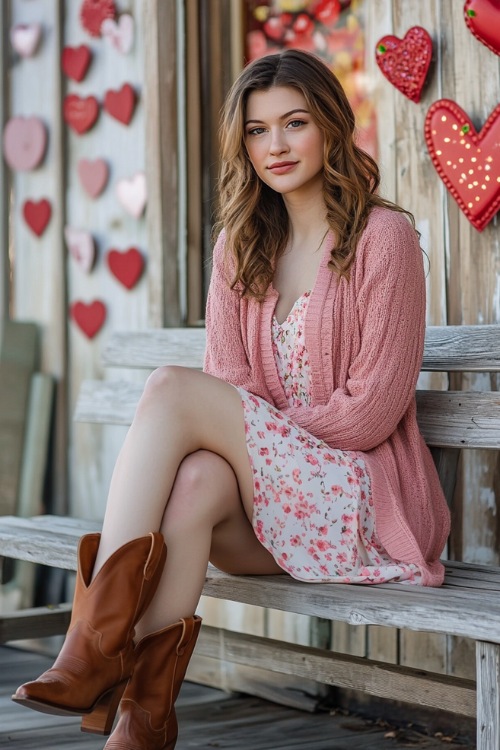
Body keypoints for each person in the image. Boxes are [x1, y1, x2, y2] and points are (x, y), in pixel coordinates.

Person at [12, 49, 451, 749]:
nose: (274, 146)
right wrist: (253, 443)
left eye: (294, 123)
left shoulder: (384, 238)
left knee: (170, 390)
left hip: (367, 508)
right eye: (256, 130)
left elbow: (371, 410)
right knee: (196, 480)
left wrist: (259, 435)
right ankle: (144, 718)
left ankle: (93, 647)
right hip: (272, 515)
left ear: (332, 128)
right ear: (240, 143)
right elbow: (229, 392)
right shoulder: (238, 249)